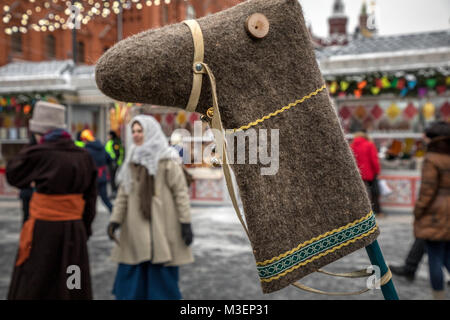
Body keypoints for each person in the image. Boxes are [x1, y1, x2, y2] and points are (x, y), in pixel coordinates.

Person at [6, 101, 98, 299]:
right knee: (72, 278)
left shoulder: (40, 154)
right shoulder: (83, 156)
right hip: (74, 230)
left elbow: (13, 174)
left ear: (38, 133)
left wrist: (32, 147)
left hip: (43, 230)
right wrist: (85, 228)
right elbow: (90, 198)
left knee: (38, 280)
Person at [107, 115, 194, 300]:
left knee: (161, 278)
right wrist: (115, 220)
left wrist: (185, 223)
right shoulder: (131, 159)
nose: (136, 135)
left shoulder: (167, 160)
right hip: (135, 228)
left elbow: (181, 194)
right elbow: (123, 194)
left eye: (140, 131)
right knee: (132, 272)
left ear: (150, 132)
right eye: (134, 131)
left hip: (162, 228)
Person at [413, 120, 450, 300]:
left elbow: (427, 191)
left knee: (435, 256)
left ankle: (439, 296)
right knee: (447, 255)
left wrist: (418, 212)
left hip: (436, 213)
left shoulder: (432, 159)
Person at [350, 130, 383, 217]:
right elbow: (374, 160)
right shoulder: (369, 145)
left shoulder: (351, 145)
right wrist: (377, 171)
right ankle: (377, 212)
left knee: (360, 193)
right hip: (369, 173)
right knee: (374, 193)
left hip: (357, 174)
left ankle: (362, 213)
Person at [80, 129, 113, 214]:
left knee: (89, 199)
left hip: (92, 179)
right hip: (102, 177)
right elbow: (109, 159)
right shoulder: (101, 147)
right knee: (104, 198)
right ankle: (114, 213)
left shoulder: (86, 150)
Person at [105, 130, 124, 197]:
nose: (108, 136)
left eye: (109, 135)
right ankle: (114, 191)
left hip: (114, 163)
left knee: (113, 178)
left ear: (111, 135)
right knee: (112, 178)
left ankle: (115, 192)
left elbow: (117, 153)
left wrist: (115, 162)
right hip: (111, 163)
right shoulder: (111, 142)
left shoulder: (115, 143)